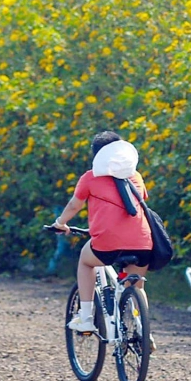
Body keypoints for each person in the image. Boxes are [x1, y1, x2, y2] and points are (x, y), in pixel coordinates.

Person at [51, 131, 155, 351]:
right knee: (136, 284)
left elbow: (73, 206)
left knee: (86, 261)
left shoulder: (91, 177)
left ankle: (86, 317)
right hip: (144, 242)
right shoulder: (135, 176)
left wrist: (60, 223)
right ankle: (144, 332)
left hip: (108, 242)